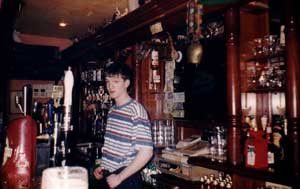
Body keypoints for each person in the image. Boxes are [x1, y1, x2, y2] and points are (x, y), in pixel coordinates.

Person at [94, 62, 153, 189]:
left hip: (126, 179)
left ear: (126, 83)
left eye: (115, 81)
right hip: (110, 177)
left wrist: (120, 177)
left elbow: (146, 152)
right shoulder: (112, 110)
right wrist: (103, 166)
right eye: (108, 81)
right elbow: (115, 148)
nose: (110, 86)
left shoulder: (136, 110)